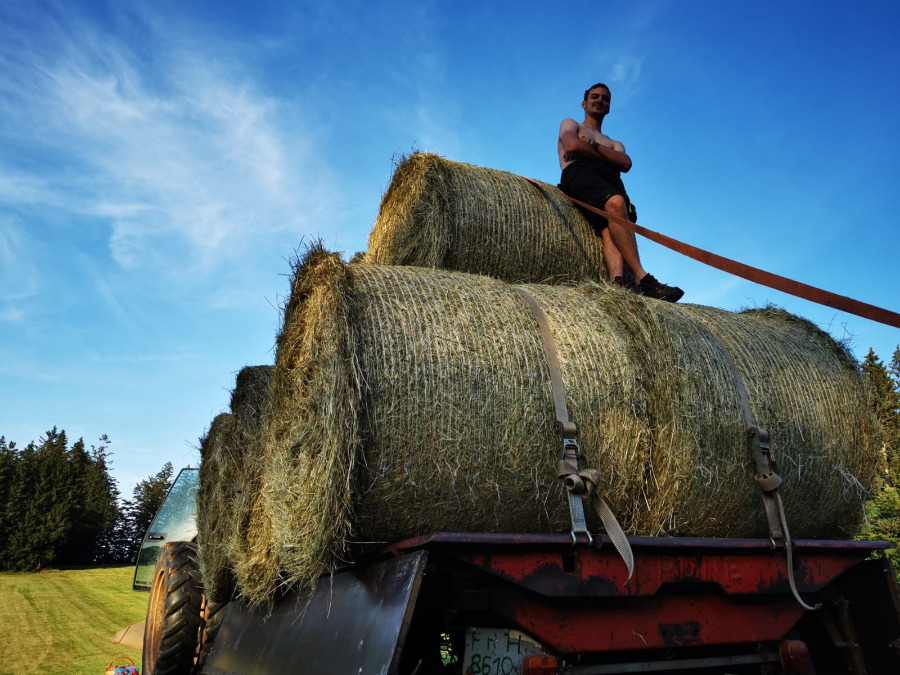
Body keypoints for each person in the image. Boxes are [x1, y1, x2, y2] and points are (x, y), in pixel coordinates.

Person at [558, 83, 684, 302]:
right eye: (595, 97)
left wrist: (593, 148)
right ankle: (642, 279)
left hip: (610, 181)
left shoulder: (614, 142)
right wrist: (605, 157)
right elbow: (573, 146)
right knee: (616, 202)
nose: (600, 100)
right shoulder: (571, 124)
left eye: (605, 99)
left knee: (611, 226)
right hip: (580, 175)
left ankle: (618, 283)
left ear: (609, 107)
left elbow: (625, 163)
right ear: (584, 103)